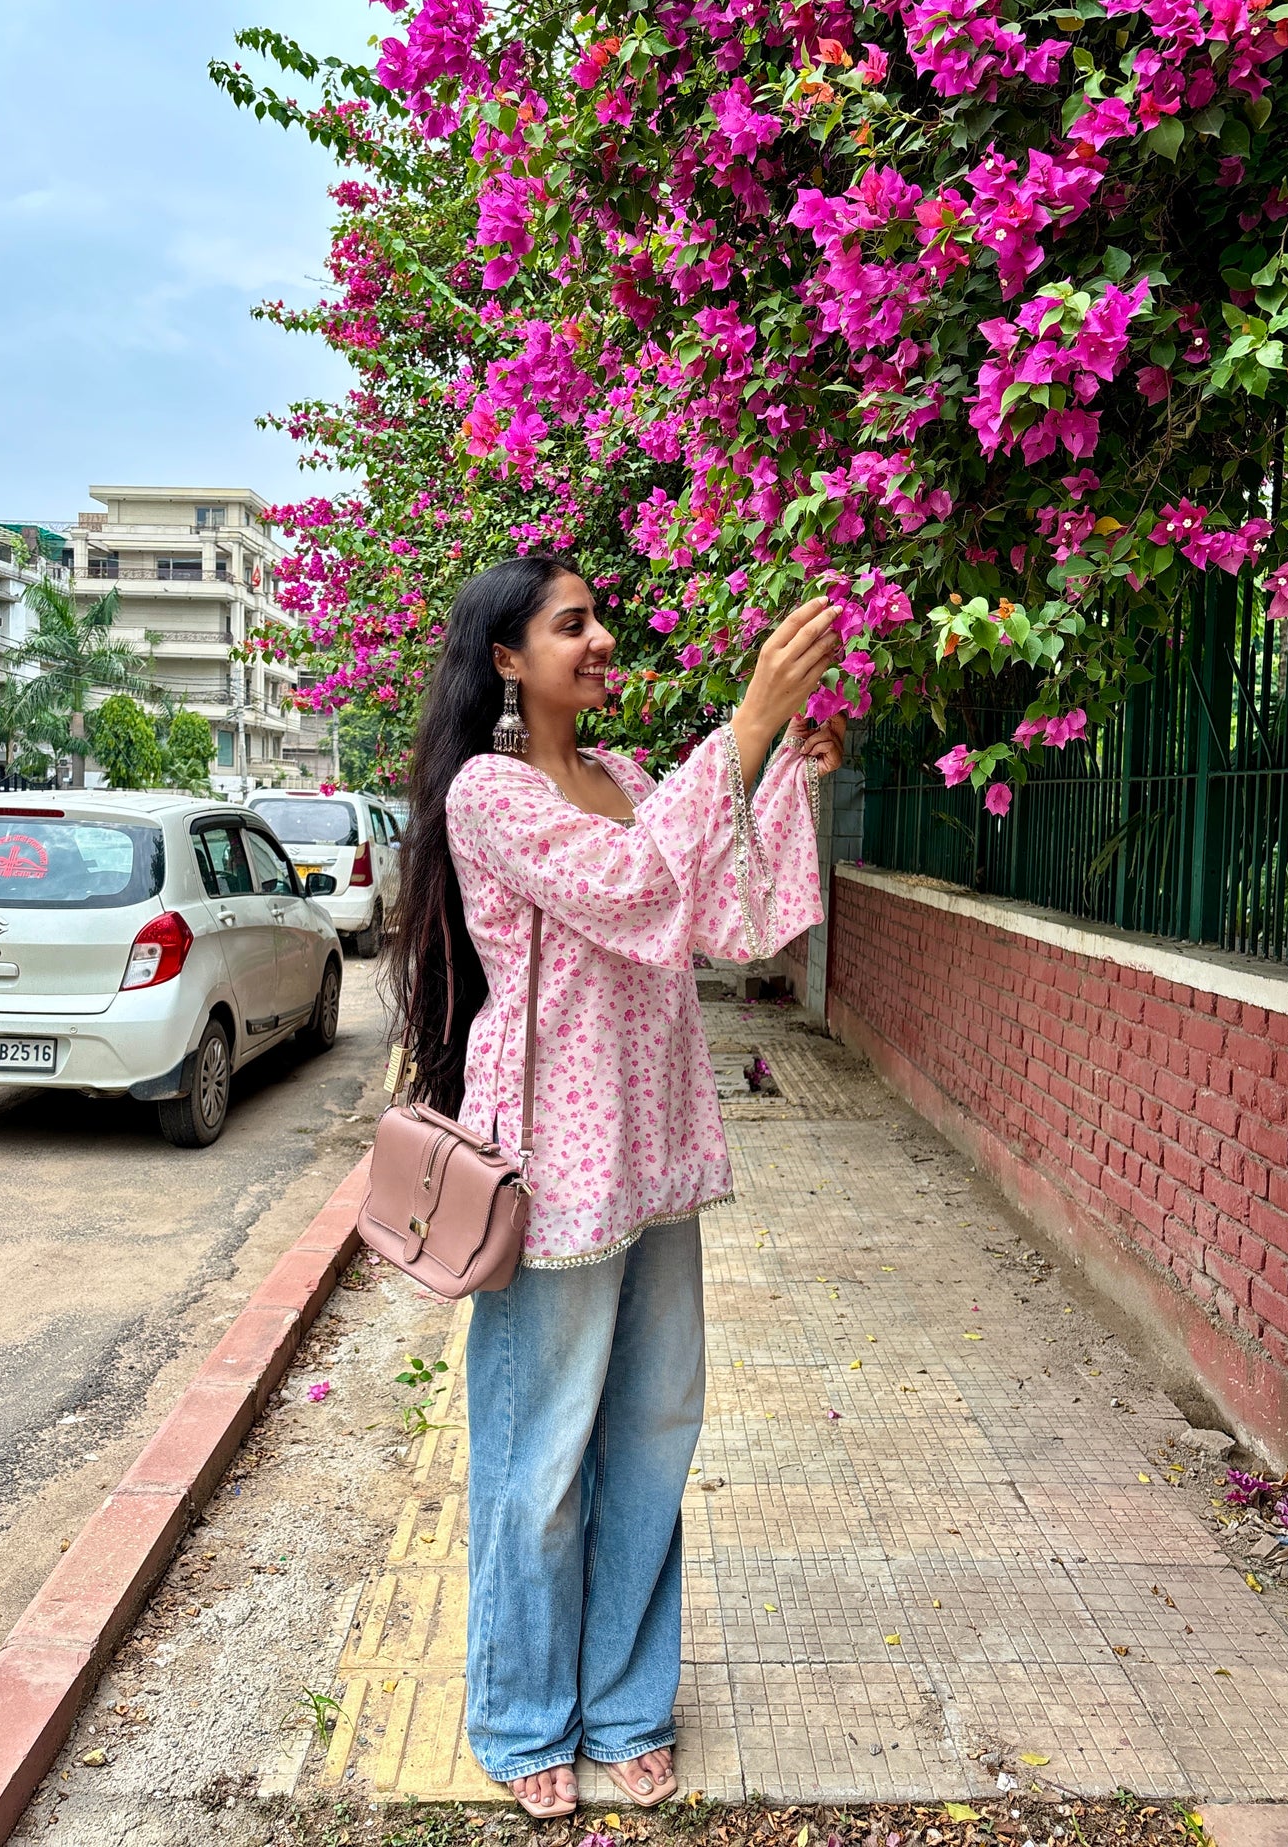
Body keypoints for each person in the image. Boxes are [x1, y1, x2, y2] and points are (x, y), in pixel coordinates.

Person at [387, 552, 844, 1818]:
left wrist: (773, 763)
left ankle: (629, 1705)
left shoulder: (631, 780)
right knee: (540, 1456)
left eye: (597, 623)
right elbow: (635, 885)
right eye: (569, 624)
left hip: (651, 1156)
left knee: (649, 1437)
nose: (598, 642)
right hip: (550, 1167)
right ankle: (528, 1715)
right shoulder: (487, 794)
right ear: (505, 658)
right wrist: (740, 726)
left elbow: (732, 916)